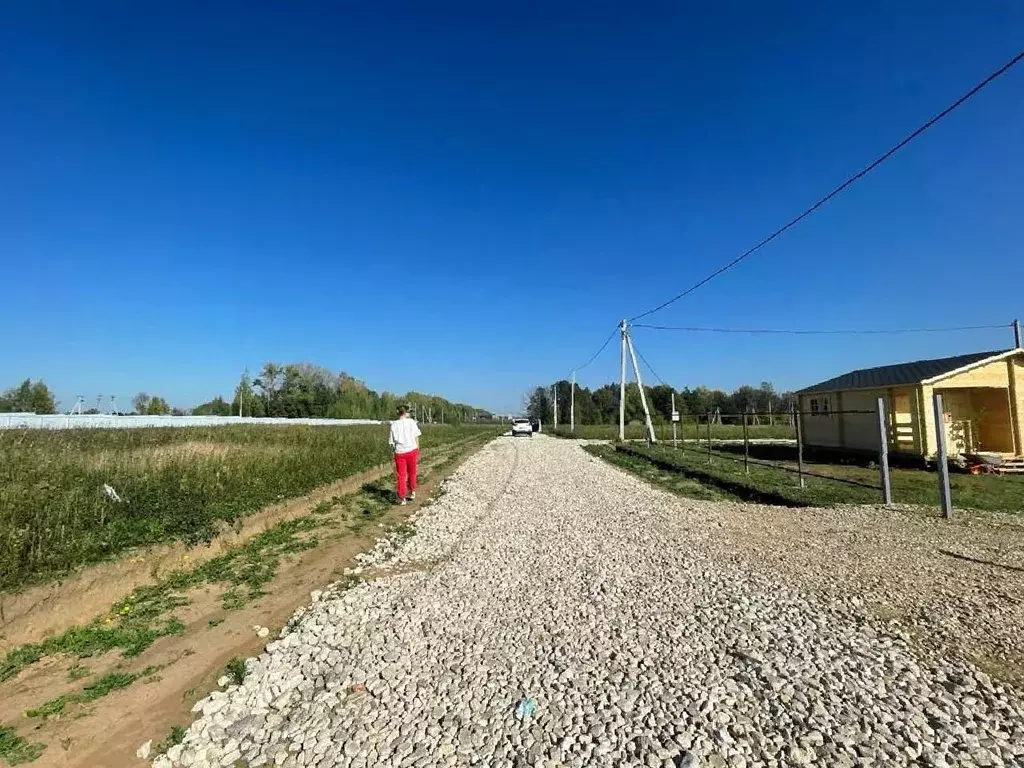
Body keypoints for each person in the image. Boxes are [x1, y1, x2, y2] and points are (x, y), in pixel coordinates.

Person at [388, 404, 421, 505]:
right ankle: (412, 491)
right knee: (412, 472)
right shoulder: (412, 422)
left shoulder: (394, 424)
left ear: (398, 412)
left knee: (401, 475)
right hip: (412, 450)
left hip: (400, 452)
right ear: (406, 412)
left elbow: (391, 442)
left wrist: (395, 450)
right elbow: (416, 436)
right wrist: (417, 448)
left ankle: (402, 498)